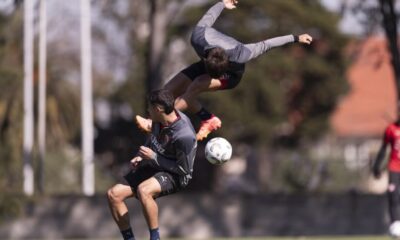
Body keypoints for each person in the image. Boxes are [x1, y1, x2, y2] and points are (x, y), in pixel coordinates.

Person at [136, 0, 313, 140]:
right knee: (166, 91)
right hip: (207, 65)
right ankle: (208, 118)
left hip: (231, 76)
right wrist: (222, 3)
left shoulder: (241, 54)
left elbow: (267, 44)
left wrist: (296, 38)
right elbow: (209, 17)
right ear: (205, 58)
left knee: (195, 86)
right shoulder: (198, 38)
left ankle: (157, 124)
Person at [107, 89, 197, 240]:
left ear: (158, 109)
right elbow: (152, 139)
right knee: (113, 195)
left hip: (176, 175)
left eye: (149, 107)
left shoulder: (184, 135)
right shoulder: (158, 119)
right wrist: (140, 157)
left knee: (144, 190)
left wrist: (154, 157)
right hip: (154, 164)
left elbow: (184, 170)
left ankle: (155, 238)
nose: (147, 110)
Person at [372, 115, 400, 224]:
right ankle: (395, 224)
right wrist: (376, 167)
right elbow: (383, 149)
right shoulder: (391, 129)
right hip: (394, 168)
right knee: (393, 195)